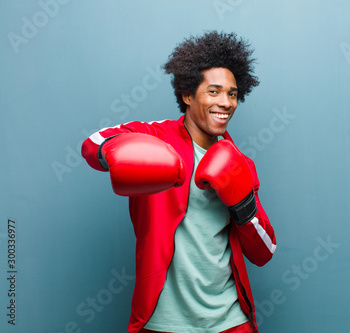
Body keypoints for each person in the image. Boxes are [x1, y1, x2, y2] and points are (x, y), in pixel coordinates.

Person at [81, 31, 276, 333]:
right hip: (163, 321)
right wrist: (116, 153)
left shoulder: (239, 163)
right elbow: (93, 143)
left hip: (229, 321)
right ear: (187, 94)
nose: (225, 103)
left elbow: (264, 251)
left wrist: (243, 206)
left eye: (233, 94)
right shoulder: (156, 137)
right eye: (213, 92)